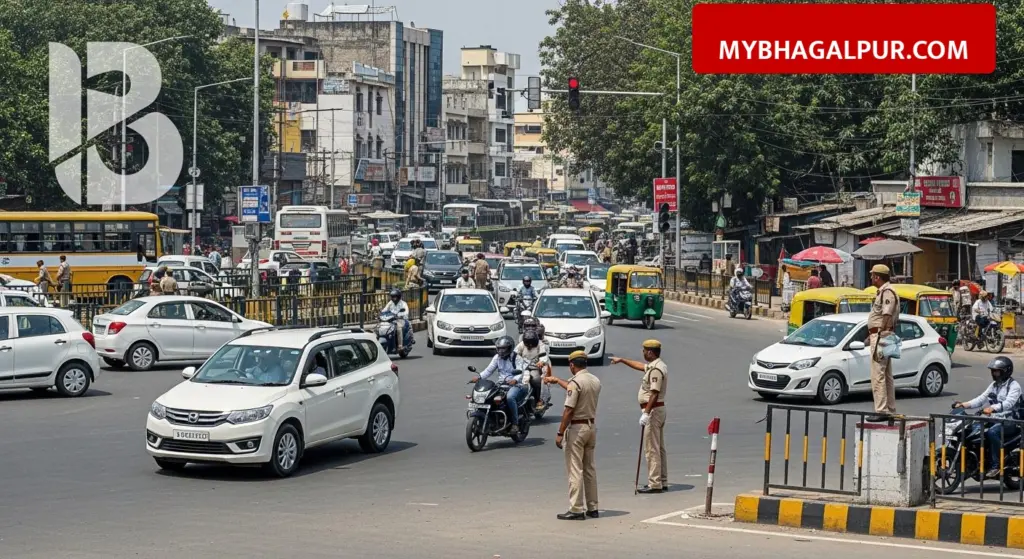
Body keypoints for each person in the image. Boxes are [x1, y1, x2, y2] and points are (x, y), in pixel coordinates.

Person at [544, 350, 602, 520]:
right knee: (589, 468)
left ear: (571, 365)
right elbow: (575, 387)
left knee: (575, 469)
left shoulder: (575, 383)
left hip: (577, 429)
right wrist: (557, 380)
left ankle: (576, 508)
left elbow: (569, 410)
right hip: (591, 427)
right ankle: (593, 507)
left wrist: (560, 432)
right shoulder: (595, 380)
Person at [611, 339, 668, 493]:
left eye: (644, 351)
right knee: (658, 447)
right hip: (657, 410)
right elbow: (640, 366)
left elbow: (654, 393)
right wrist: (622, 360)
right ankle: (662, 480)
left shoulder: (656, 370)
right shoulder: (655, 365)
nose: (642, 353)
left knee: (652, 448)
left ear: (650, 352)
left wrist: (646, 413)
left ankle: (655, 483)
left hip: (653, 411)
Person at [954, 356, 1021, 479]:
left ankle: (995, 466)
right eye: (993, 371)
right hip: (995, 419)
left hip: (1011, 420)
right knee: (973, 430)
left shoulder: (1014, 386)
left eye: (996, 371)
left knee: (992, 432)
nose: (994, 373)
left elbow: (1008, 403)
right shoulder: (994, 385)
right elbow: (981, 399)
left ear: (1005, 371)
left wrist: (992, 408)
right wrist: (964, 404)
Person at [472, 336, 526, 435]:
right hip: (501, 384)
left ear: (509, 348)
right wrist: (479, 377)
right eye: (499, 348)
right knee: (487, 397)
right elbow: (488, 370)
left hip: (516, 385)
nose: (501, 351)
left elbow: (520, 372)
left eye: (504, 348)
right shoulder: (497, 357)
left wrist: (514, 379)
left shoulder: (517, 358)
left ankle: (515, 424)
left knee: (510, 398)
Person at [866, 264, 898, 421]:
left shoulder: (887, 292)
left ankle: (881, 410)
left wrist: (880, 335)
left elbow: (886, 315)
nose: (871, 278)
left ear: (877, 277)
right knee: (886, 374)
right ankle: (889, 409)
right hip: (882, 335)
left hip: (881, 336)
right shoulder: (885, 292)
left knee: (878, 374)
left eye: (872, 275)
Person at [516, 330, 551, 411]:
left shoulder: (540, 345)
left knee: (536, 380)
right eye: (528, 343)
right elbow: (515, 354)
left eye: (532, 343)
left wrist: (541, 361)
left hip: (534, 367)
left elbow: (543, 356)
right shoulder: (521, 345)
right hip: (522, 367)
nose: (530, 345)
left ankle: (539, 399)